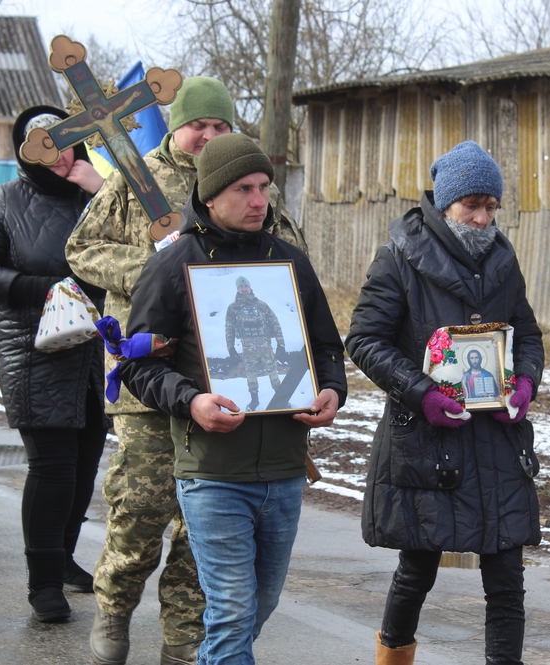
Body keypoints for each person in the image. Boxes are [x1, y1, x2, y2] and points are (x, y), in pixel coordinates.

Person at [66, 76, 304, 665]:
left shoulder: (243, 180)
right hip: (151, 373)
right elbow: (80, 249)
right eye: (200, 124)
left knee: (206, 526)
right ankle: (114, 610)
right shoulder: (133, 177)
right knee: (141, 510)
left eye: (221, 126)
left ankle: (183, 639)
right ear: (176, 125)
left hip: (225, 378)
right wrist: (156, 263)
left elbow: (288, 255)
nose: (209, 135)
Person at [119, 133, 347, 665]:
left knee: (259, 605)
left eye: (264, 187)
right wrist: (191, 400)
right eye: (244, 188)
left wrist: (332, 388)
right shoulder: (174, 264)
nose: (259, 200)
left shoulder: (291, 263)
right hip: (213, 471)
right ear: (211, 194)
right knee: (231, 610)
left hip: (286, 468)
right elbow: (136, 363)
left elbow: (325, 346)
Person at [345, 140, 544, 665]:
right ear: (444, 203)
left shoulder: (503, 258)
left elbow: (527, 335)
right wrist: (423, 392)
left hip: (498, 439)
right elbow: (364, 339)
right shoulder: (401, 255)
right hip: (432, 441)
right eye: (471, 206)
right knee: (418, 568)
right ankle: (392, 657)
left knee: (507, 579)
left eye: (492, 207)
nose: (482, 219)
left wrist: (523, 385)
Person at [0, 105, 109, 623]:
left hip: (94, 353)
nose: (57, 149)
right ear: (25, 149)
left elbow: (153, 243)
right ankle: (43, 582)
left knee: (86, 463)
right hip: (35, 351)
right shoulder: (5, 200)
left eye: (64, 138)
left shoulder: (97, 197)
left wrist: (101, 188)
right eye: (42, 141)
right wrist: (40, 289)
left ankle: (63, 557)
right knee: (53, 469)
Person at [226, 276, 284, 411]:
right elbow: (229, 328)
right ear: (237, 289)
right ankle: (254, 401)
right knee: (251, 374)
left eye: (246, 286)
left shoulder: (261, 305)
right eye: (241, 287)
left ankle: (281, 398)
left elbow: (275, 323)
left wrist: (281, 344)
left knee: (273, 372)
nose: (244, 289)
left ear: (250, 287)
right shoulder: (233, 308)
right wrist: (231, 347)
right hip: (248, 349)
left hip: (265, 347)